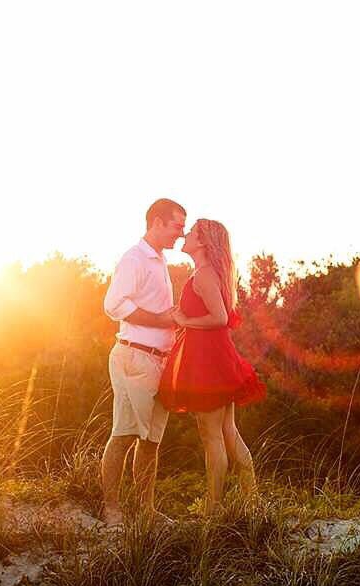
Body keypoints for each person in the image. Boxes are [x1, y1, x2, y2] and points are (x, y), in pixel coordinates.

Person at [156, 219, 266, 515]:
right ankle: (252, 503)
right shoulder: (205, 273)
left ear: (202, 242)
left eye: (190, 233)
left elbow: (219, 317)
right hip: (214, 357)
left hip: (208, 361)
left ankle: (214, 510)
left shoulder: (204, 275)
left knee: (212, 435)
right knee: (228, 432)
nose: (185, 235)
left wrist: (184, 321)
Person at [101, 198, 186, 525]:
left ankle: (145, 512)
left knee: (151, 440)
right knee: (124, 434)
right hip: (134, 356)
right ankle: (111, 510)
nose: (181, 232)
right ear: (157, 221)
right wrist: (162, 320)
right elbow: (114, 304)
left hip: (159, 363)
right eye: (177, 225)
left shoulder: (159, 260)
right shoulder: (134, 258)